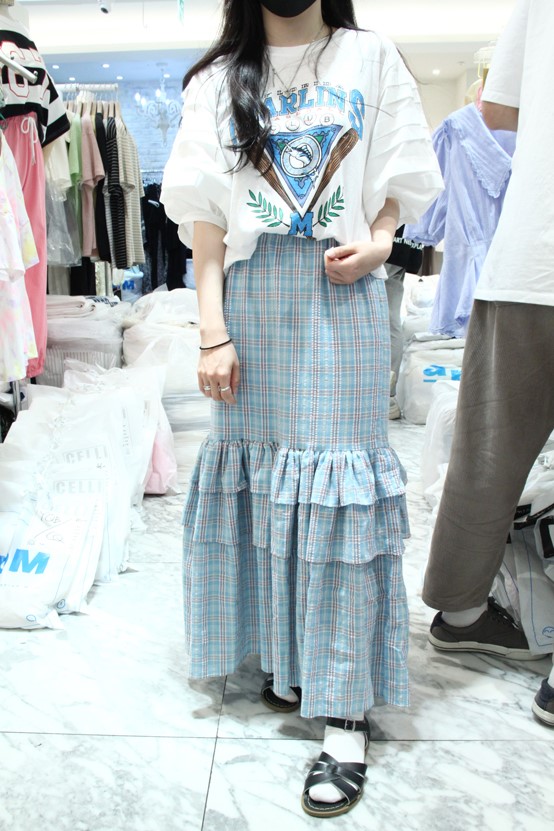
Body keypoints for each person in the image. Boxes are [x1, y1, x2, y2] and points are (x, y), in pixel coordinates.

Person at [162, 0, 442, 816]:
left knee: (340, 490)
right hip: (251, 298)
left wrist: (382, 241)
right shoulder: (219, 79)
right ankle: (285, 658)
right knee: (260, 480)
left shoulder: (369, 56)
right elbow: (205, 220)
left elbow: (396, 176)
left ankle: (344, 712)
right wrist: (212, 331)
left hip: (339, 290)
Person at [422, 0, 554, 729]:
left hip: (525, 255)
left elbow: (497, 111)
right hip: (516, 254)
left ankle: (462, 610)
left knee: (486, 453)